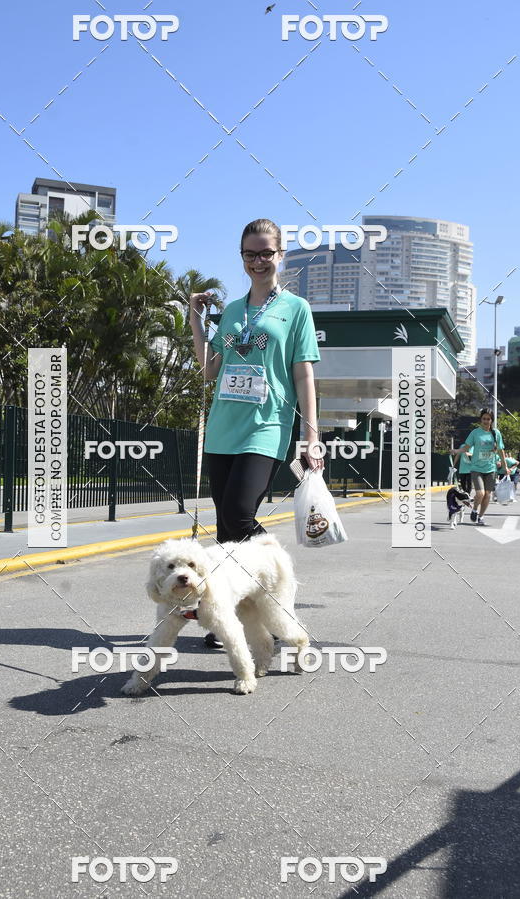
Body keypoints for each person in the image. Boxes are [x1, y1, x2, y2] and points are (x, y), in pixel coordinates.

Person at [189, 218, 323, 647]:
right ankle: (233, 617)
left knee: (240, 515)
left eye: (266, 252)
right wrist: (196, 322)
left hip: (266, 426)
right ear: (242, 258)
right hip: (223, 427)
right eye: (250, 254)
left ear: (280, 255)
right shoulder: (232, 311)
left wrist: (311, 431)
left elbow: (303, 374)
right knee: (226, 527)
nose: (258, 261)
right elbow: (210, 370)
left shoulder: (295, 309)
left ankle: (275, 590)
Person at [453, 408, 509, 526]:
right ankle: (474, 510)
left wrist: (505, 467)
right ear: (481, 419)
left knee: (487, 495)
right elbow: (466, 448)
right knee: (480, 493)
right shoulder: (475, 433)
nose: (486, 421)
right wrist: (456, 450)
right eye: (484, 418)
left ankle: (481, 516)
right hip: (476, 468)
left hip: (491, 469)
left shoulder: (496, 433)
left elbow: (501, 451)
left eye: (488, 419)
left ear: (491, 420)